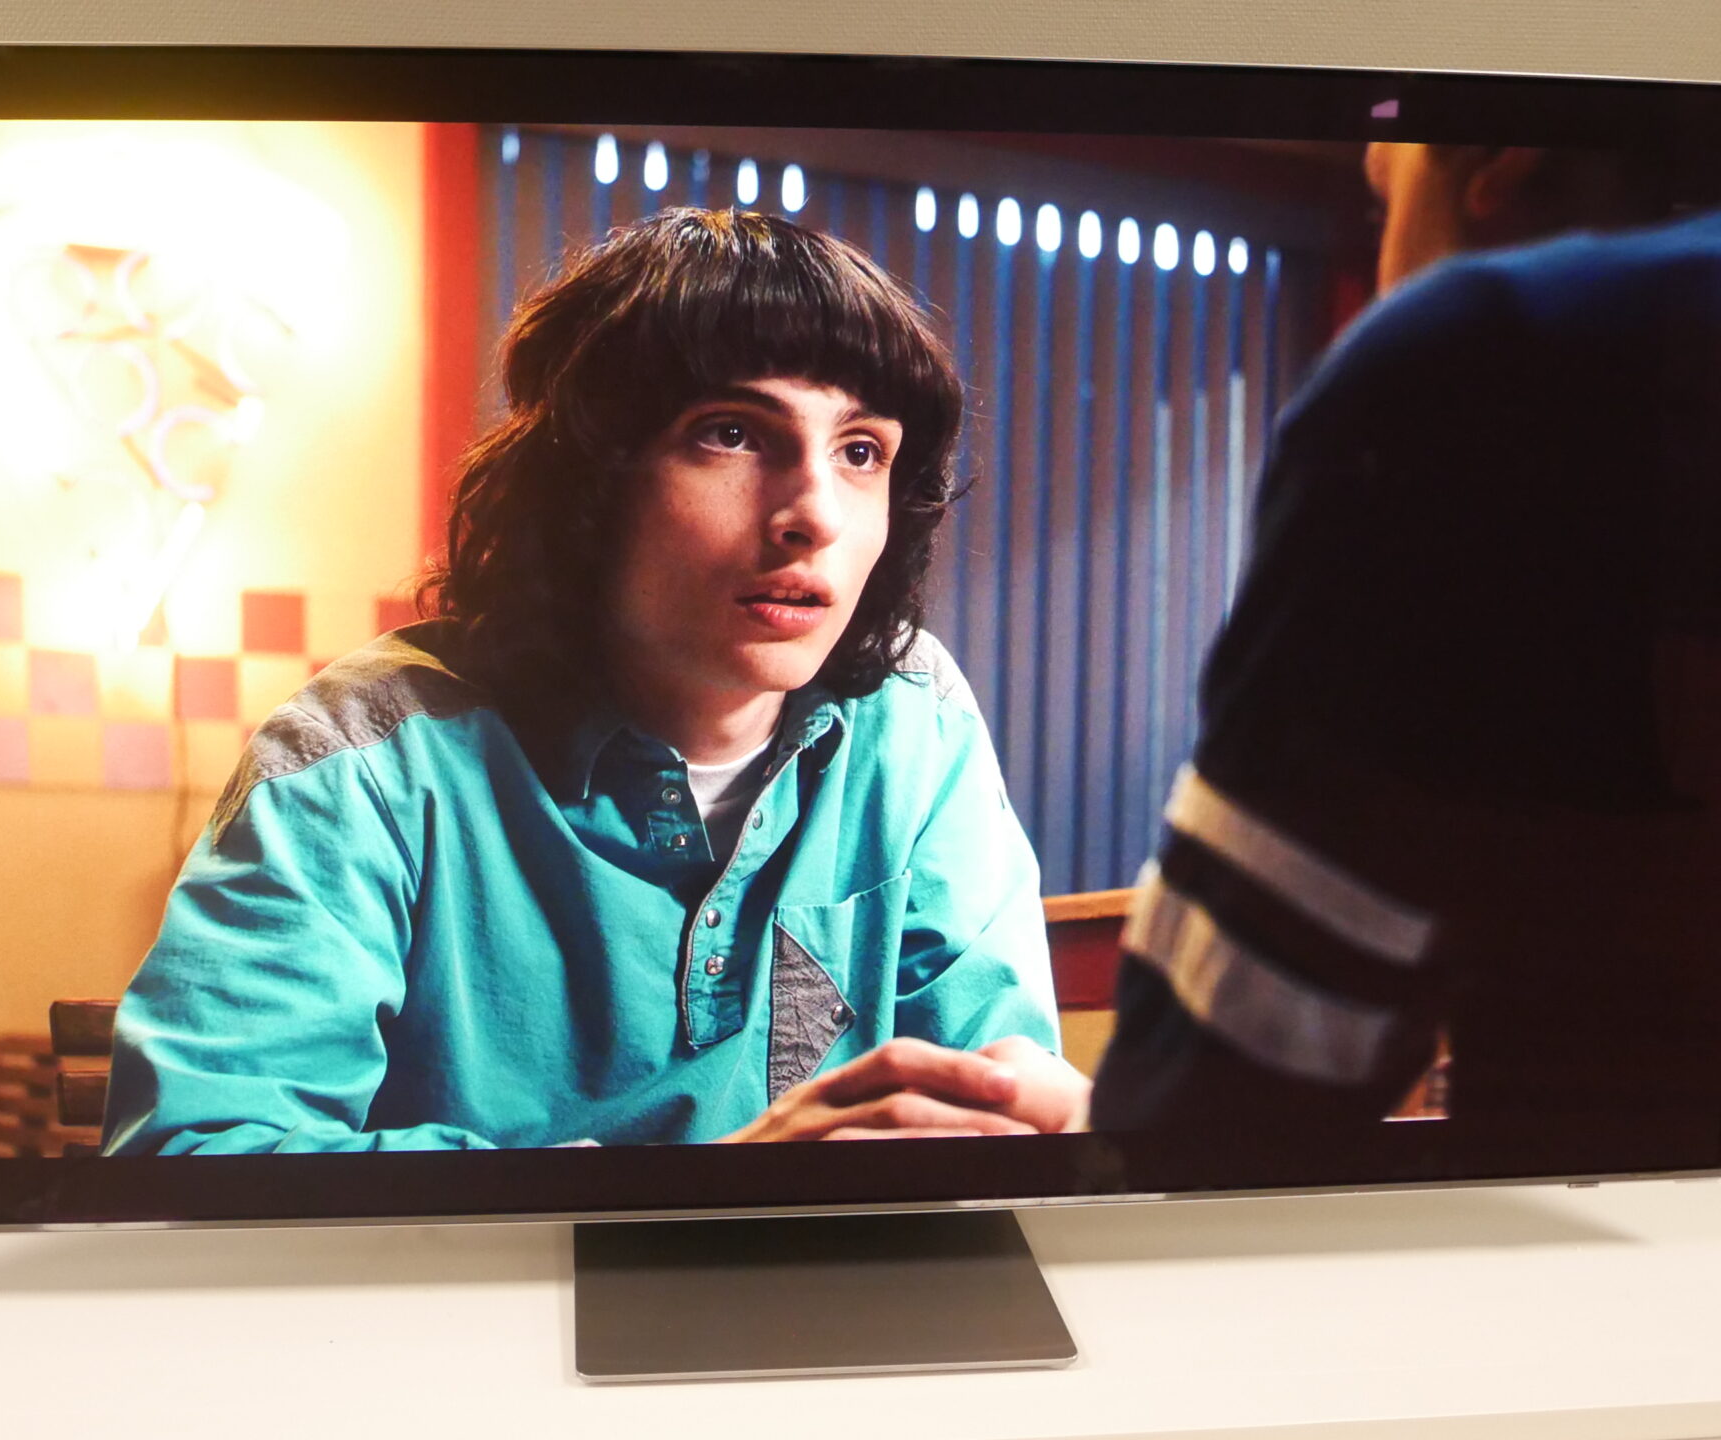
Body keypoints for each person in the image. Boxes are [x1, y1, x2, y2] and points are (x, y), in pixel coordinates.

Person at [106, 208, 1090, 1154]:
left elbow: (985, 1097)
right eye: (733, 434)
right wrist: (699, 1204)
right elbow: (198, 1152)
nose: (815, 516)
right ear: (587, 482)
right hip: (491, 1282)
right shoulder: (362, 756)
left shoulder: (914, 715)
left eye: (860, 452)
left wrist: (1047, 1124)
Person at [1088, 146, 1721, 1161]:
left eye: (1383, 197)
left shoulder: (1492, 357)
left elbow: (1207, 1125)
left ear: (1496, 174)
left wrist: (1075, 1129)